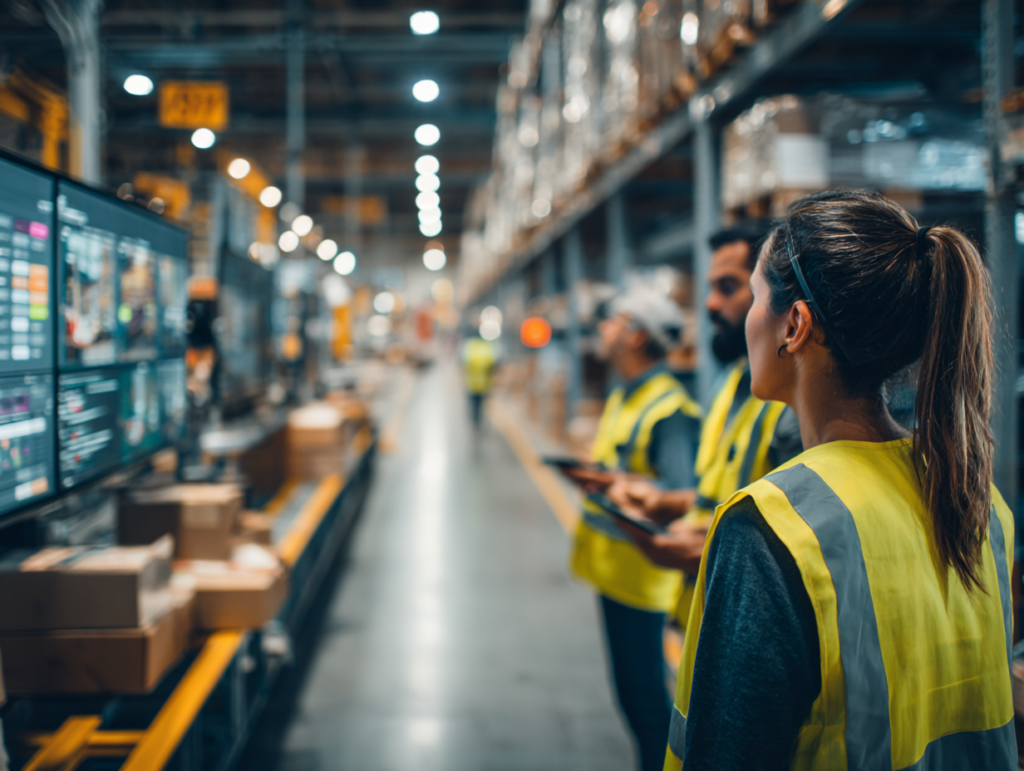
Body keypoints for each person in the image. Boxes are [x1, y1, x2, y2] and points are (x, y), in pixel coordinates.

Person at [665, 190, 1016, 770]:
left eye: (754, 297)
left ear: (795, 325)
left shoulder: (773, 530)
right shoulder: (978, 502)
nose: (746, 315)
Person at [608, 227, 800, 616]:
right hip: (707, 607)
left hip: (753, 619)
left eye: (729, 288)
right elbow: (718, 494)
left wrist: (711, 549)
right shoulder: (728, 384)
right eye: (710, 288)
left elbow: (804, 544)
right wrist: (670, 503)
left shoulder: (795, 407)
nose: (710, 304)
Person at [555, 283, 701, 771]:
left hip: (644, 582)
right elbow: (625, 469)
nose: (604, 327)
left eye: (614, 319)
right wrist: (598, 479)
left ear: (638, 336)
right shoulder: (626, 393)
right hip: (617, 573)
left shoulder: (670, 410)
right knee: (633, 700)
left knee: (646, 706)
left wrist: (618, 488)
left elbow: (678, 498)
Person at [461, 332, 498, 428]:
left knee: (473, 402)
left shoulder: (469, 346)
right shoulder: (487, 346)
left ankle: (474, 419)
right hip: (483, 382)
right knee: (480, 402)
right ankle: (478, 419)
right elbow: (493, 362)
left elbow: (463, 361)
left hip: (471, 382)